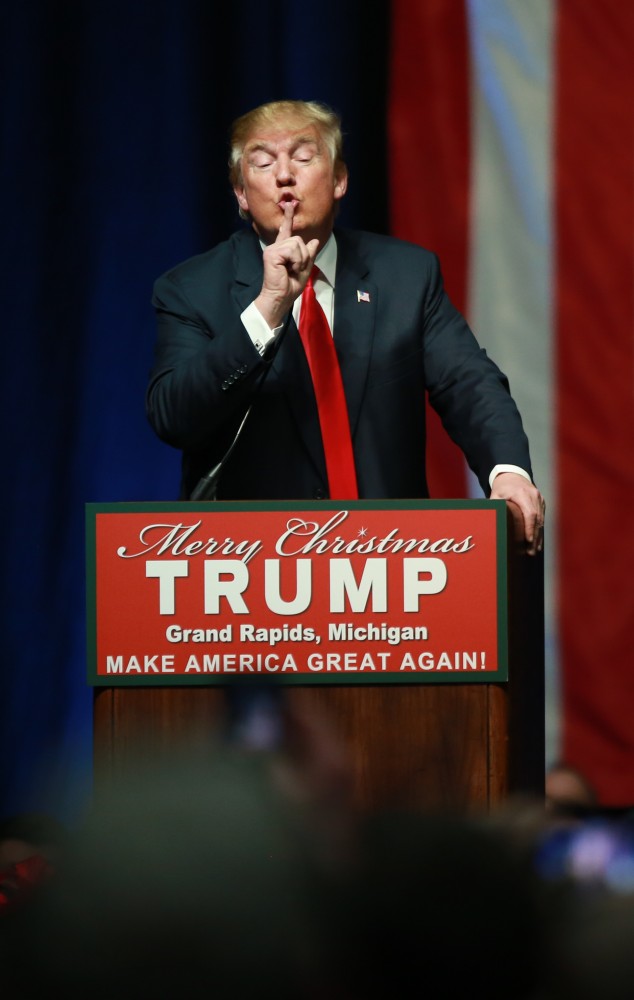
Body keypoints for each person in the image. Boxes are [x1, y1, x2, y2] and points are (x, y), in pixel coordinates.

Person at [147, 99, 545, 555]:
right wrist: (267, 307)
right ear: (240, 193)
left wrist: (508, 472)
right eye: (262, 162)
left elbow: (470, 383)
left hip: (392, 562)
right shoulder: (191, 289)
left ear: (339, 180)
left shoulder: (406, 276)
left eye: (302, 157)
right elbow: (174, 416)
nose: (283, 176)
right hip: (252, 567)